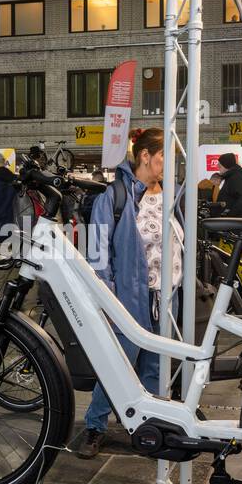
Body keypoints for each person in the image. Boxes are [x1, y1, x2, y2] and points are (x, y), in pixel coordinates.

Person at [77, 127, 179, 459]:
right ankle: (94, 426)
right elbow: (98, 254)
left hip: (167, 297)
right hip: (128, 298)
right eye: (165, 155)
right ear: (146, 156)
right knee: (117, 367)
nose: (170, 162)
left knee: (155, 368)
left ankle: (146, 428)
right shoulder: (115, 197)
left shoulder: (173, 195)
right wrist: (106, 298)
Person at [213, 153, 242, 217]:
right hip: (231, 221)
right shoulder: (230, 177)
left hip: (233, 222)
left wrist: (230, 215)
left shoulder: (235, 177)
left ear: (226, 165)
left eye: (220, 165)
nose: (217, 166)